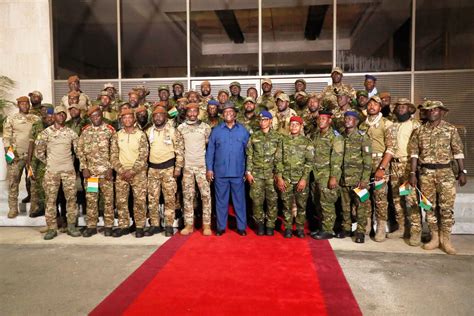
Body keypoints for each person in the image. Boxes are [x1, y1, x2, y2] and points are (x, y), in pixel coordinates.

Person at [409, 100, 467, 255]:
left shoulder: (450, 129)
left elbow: (458, 151)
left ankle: (446, 239)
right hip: (426, 174)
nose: (431, 112)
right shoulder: (419, 131)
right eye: (429, 110)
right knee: (428, 207)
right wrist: (413, 174)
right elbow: (414, 154)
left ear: (441, 112)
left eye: (435, 110)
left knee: (446, 208)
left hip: (446, 173)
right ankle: (435, 237)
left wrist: (463, 172)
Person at [34, 105, 80, 240]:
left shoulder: (71, 133)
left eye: (63, 114)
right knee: (50, 201)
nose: (61, 116)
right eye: (58, 114)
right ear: (53, 116)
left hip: (68, 171)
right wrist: (50, 162)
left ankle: (71, 226)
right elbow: (39, 152)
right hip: (52, 172)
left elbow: (77, 152)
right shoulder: (45, 133)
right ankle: (52, 228)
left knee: (71, 199)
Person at [206, 102, 250, 236]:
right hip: (221, 173)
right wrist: (209, 169)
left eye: (231, 111)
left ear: (235, 114)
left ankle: (241, 227)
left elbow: (249, 152)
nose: (228, 113)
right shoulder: (216, 131)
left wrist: (247, 170)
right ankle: (220, 227)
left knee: (239, 202)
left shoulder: (243, 130)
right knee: (221, 202)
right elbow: (210, 151)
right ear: (222, 115)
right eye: (225, 112)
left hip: (238, 173)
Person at [385, 98, 421, 245]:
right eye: (399, 106)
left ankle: (415, 231)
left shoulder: (415, 125)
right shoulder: (393, 126)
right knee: (396, 199)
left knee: (410, 199)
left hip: (407, 166)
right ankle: (402, 228)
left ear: (410, 109)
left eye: (404, 106)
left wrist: (414, 170)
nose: (401, 108)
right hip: (394, 166)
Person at [77, 106, 116, 237]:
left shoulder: (110, 130)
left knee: (108, 200)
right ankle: (91, 226)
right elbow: (80, 151)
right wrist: (84, 167)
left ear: (102, 115)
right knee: (92, 200)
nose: (96, 118)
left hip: (106, 174)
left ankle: (109, 225)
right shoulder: (85, 131)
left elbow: (115, 151)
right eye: (93, 116)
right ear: (90, 118)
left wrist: (111, 168)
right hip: (91, 175)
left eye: (98, 116)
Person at [359, 96, 394, 242]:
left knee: (380, 197)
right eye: (370, 104)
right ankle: (367, 224)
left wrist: (382, 167)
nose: (372, 106)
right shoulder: (362, 125)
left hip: (380, 162)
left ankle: (380, 227)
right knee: (364, 195)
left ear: (380, 107)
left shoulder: (386, 123)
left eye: (375, 104)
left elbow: (391, 148)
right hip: (364, 164)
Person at [110, 108, 149, 238]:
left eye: (129, 117)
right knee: (121, 201)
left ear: (134, 119)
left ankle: (139, 226)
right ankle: (123, 225)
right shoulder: (117, 135)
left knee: (139, 201)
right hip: (121, 173)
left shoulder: (141, 135)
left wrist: (132, 171)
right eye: (124, 118)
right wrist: (121, 170)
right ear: (121, 120)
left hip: (138, 173)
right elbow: (113, 156)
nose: (127, 120)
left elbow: (144, 155)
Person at [176, 103, 213, 236]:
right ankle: (189, 224)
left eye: (194, 111)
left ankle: (207, 224)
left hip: (202, 167)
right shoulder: (180, 128)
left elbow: (210, 148)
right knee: (187, 196)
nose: (192, 114)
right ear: (186, 113)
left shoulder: (205, 127)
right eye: (189, 111)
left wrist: (210, 167)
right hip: (187, 167)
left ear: (198, 112)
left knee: (206, 196)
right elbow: (179, 149)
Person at [275, 116, 314, 238]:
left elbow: (309, 162)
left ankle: (300, 228)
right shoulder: (283, 141)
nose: (294, 127)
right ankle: (287, 228)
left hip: (300, 179)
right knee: (286, 206)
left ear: (301, 127)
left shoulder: (307, 142)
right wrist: (280, 178)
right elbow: (278, 160)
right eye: (292, 124)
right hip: (286, 179)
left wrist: (304, 179)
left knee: (301, 206)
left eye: (297, 125)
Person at [146, 106, 181, 237]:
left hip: (169, 169)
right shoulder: (149, 131)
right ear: (153, 118)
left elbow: (179, 150)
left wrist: (178, 168)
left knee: (169, 199)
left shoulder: (172, 131)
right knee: (152, 199)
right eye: (155, 115)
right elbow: (145, 151)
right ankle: (154, 224)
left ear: (165, 117)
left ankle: (168, 225)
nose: (158, 117)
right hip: (153, 169)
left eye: (161, 115)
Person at [3, 96, 40, 218]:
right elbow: (6, 138)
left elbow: (39, 136)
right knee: (14, 182)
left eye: (27, 103)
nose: (25, 105)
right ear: (18, 105)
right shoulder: (11, 119)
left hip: (31, 157)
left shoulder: (35, 118)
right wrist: (9, 158)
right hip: (16, 157)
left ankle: (34, 208)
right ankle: (13, 209)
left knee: (33, 183)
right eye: (22, 104)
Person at [246, 111, 281, 236]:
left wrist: (278, 174)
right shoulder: (254, 136)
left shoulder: (277, 137)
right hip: (257, 174)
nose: (262, 122)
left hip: (271, 175)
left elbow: (279, 158)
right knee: (256, 201)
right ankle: (260, 224)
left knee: (272, 201)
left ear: (271, 121)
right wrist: (248, 172)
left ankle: (270, 225)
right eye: (261, 120)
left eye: (265, 120)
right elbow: (249, 155)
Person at [339, 111, 372, 243]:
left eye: (350, 118)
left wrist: (365, 179)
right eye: (346, 118)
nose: (347, 120)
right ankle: (346, 228)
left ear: (356, 122)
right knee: (345, 206)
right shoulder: (341, 136)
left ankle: (360, 232)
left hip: (358, 180)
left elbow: (368, 161)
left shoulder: (363, 137)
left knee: (361, 206)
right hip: (344, 179)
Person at [310, 111, 344, 240]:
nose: (321, 121)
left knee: (327, 203)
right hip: (316, 174)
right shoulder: (316, 135)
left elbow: (337, 158)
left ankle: (328, 230)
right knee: (318, 202)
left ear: (330, 120)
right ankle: (322, 227)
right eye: (319, 119)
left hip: (327, 174)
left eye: (324, 118)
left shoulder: (335, 137)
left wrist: (333, 177)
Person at [28, 104, 55, 218]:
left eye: (47, 110)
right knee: (37, 183)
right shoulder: (36, 125)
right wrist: (29, 161)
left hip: (52, 159)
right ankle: (41, 207)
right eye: (43, 110)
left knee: (51, 185)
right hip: (37, 160)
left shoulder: (56, 125)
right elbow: (31, 143)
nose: (44, 112)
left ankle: (52, 209)